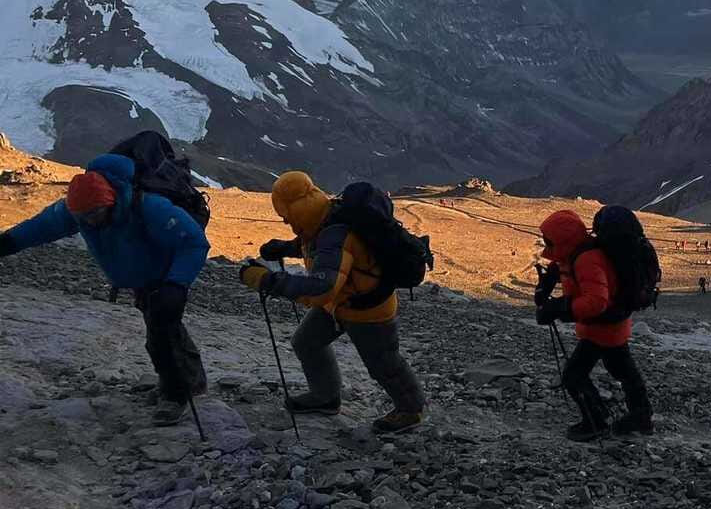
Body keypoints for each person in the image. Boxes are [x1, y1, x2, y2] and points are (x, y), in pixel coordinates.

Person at [0, 151, 209, 426]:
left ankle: (176, 394)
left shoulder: (150, 207)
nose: (89, 221)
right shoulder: (82, 208)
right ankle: (189, 382)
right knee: (163, 328)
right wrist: (8, 243)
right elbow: (42, 227)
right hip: (144, 278)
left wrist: (176, 285)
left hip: (166, 276)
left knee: (161, 333)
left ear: (111, 201)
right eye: (82, 217)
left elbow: (194, 242)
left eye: (94, 215)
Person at [242, 173, 427, 434]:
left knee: (384, 363)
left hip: (367, 309)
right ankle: (325, 397)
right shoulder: (323, 216)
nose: (285, 221)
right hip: (341, 303)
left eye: (286, 215)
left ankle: (411, 410)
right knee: (306, 342)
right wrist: (285, 248)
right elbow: (321, 249)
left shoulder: (334, 232)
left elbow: (322, 288)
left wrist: (266, 280)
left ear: (296, 210)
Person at [535, 208, 653, 441]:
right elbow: (564, 267)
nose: (546, 246)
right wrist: (547, 283)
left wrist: (560, 307)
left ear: (563, 241)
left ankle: (596, 421)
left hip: (602, 329)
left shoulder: (587, 260)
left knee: (574, 376)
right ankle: (641, 417)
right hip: (610, 325)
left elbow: (597, 301)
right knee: (623, 370)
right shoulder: (577, 253)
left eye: (549, 241)